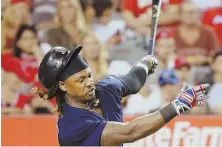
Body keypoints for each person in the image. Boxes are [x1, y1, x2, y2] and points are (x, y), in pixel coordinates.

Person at [32, 46, 210, 146]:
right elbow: (130, 132)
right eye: (80, 80)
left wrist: (145, 65)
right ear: (63, 85)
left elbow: (132, 80)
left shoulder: (105, 90)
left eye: (89, 75)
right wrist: (178, 105)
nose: (89, 82)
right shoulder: (71, 126)